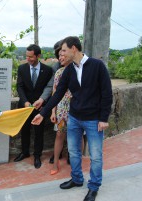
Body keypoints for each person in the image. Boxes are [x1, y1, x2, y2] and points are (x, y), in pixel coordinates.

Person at [32, 36, 113, 201]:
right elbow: (58, 94)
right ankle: (77, 179)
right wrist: (42, 113)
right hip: (74, 117)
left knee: (96, 155)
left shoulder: (97, 66)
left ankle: (93, 187)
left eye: (63, 50)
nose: (60, 53)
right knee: (74, 152)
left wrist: (103, 118)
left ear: (73, 49)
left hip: (93, 119)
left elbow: (107, 93)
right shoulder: (69, 70)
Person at [14, 44, 54, 169]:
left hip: (40, 107)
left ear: (38, 56)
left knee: (38, 132)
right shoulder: (22, 68)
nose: (28, 59)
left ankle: (37, 156)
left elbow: (49, 89)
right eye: (27, 56)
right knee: (24, 130)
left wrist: (43, 103)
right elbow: (19, 87)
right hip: (25, 106)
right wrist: (25, 101)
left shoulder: (47, 70)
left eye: (31, 57)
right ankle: (25, 152)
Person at [49, 46, 72, 175]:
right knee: (59, 135)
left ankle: (76, 162)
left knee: (78, 136)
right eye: (59, 56)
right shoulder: (59, 72)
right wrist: (53, 112)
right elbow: (54, 93)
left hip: (76, 109)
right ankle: (55, 162)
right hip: (61, 109)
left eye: (63, 55)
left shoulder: (80, 71)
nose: (60, 57)